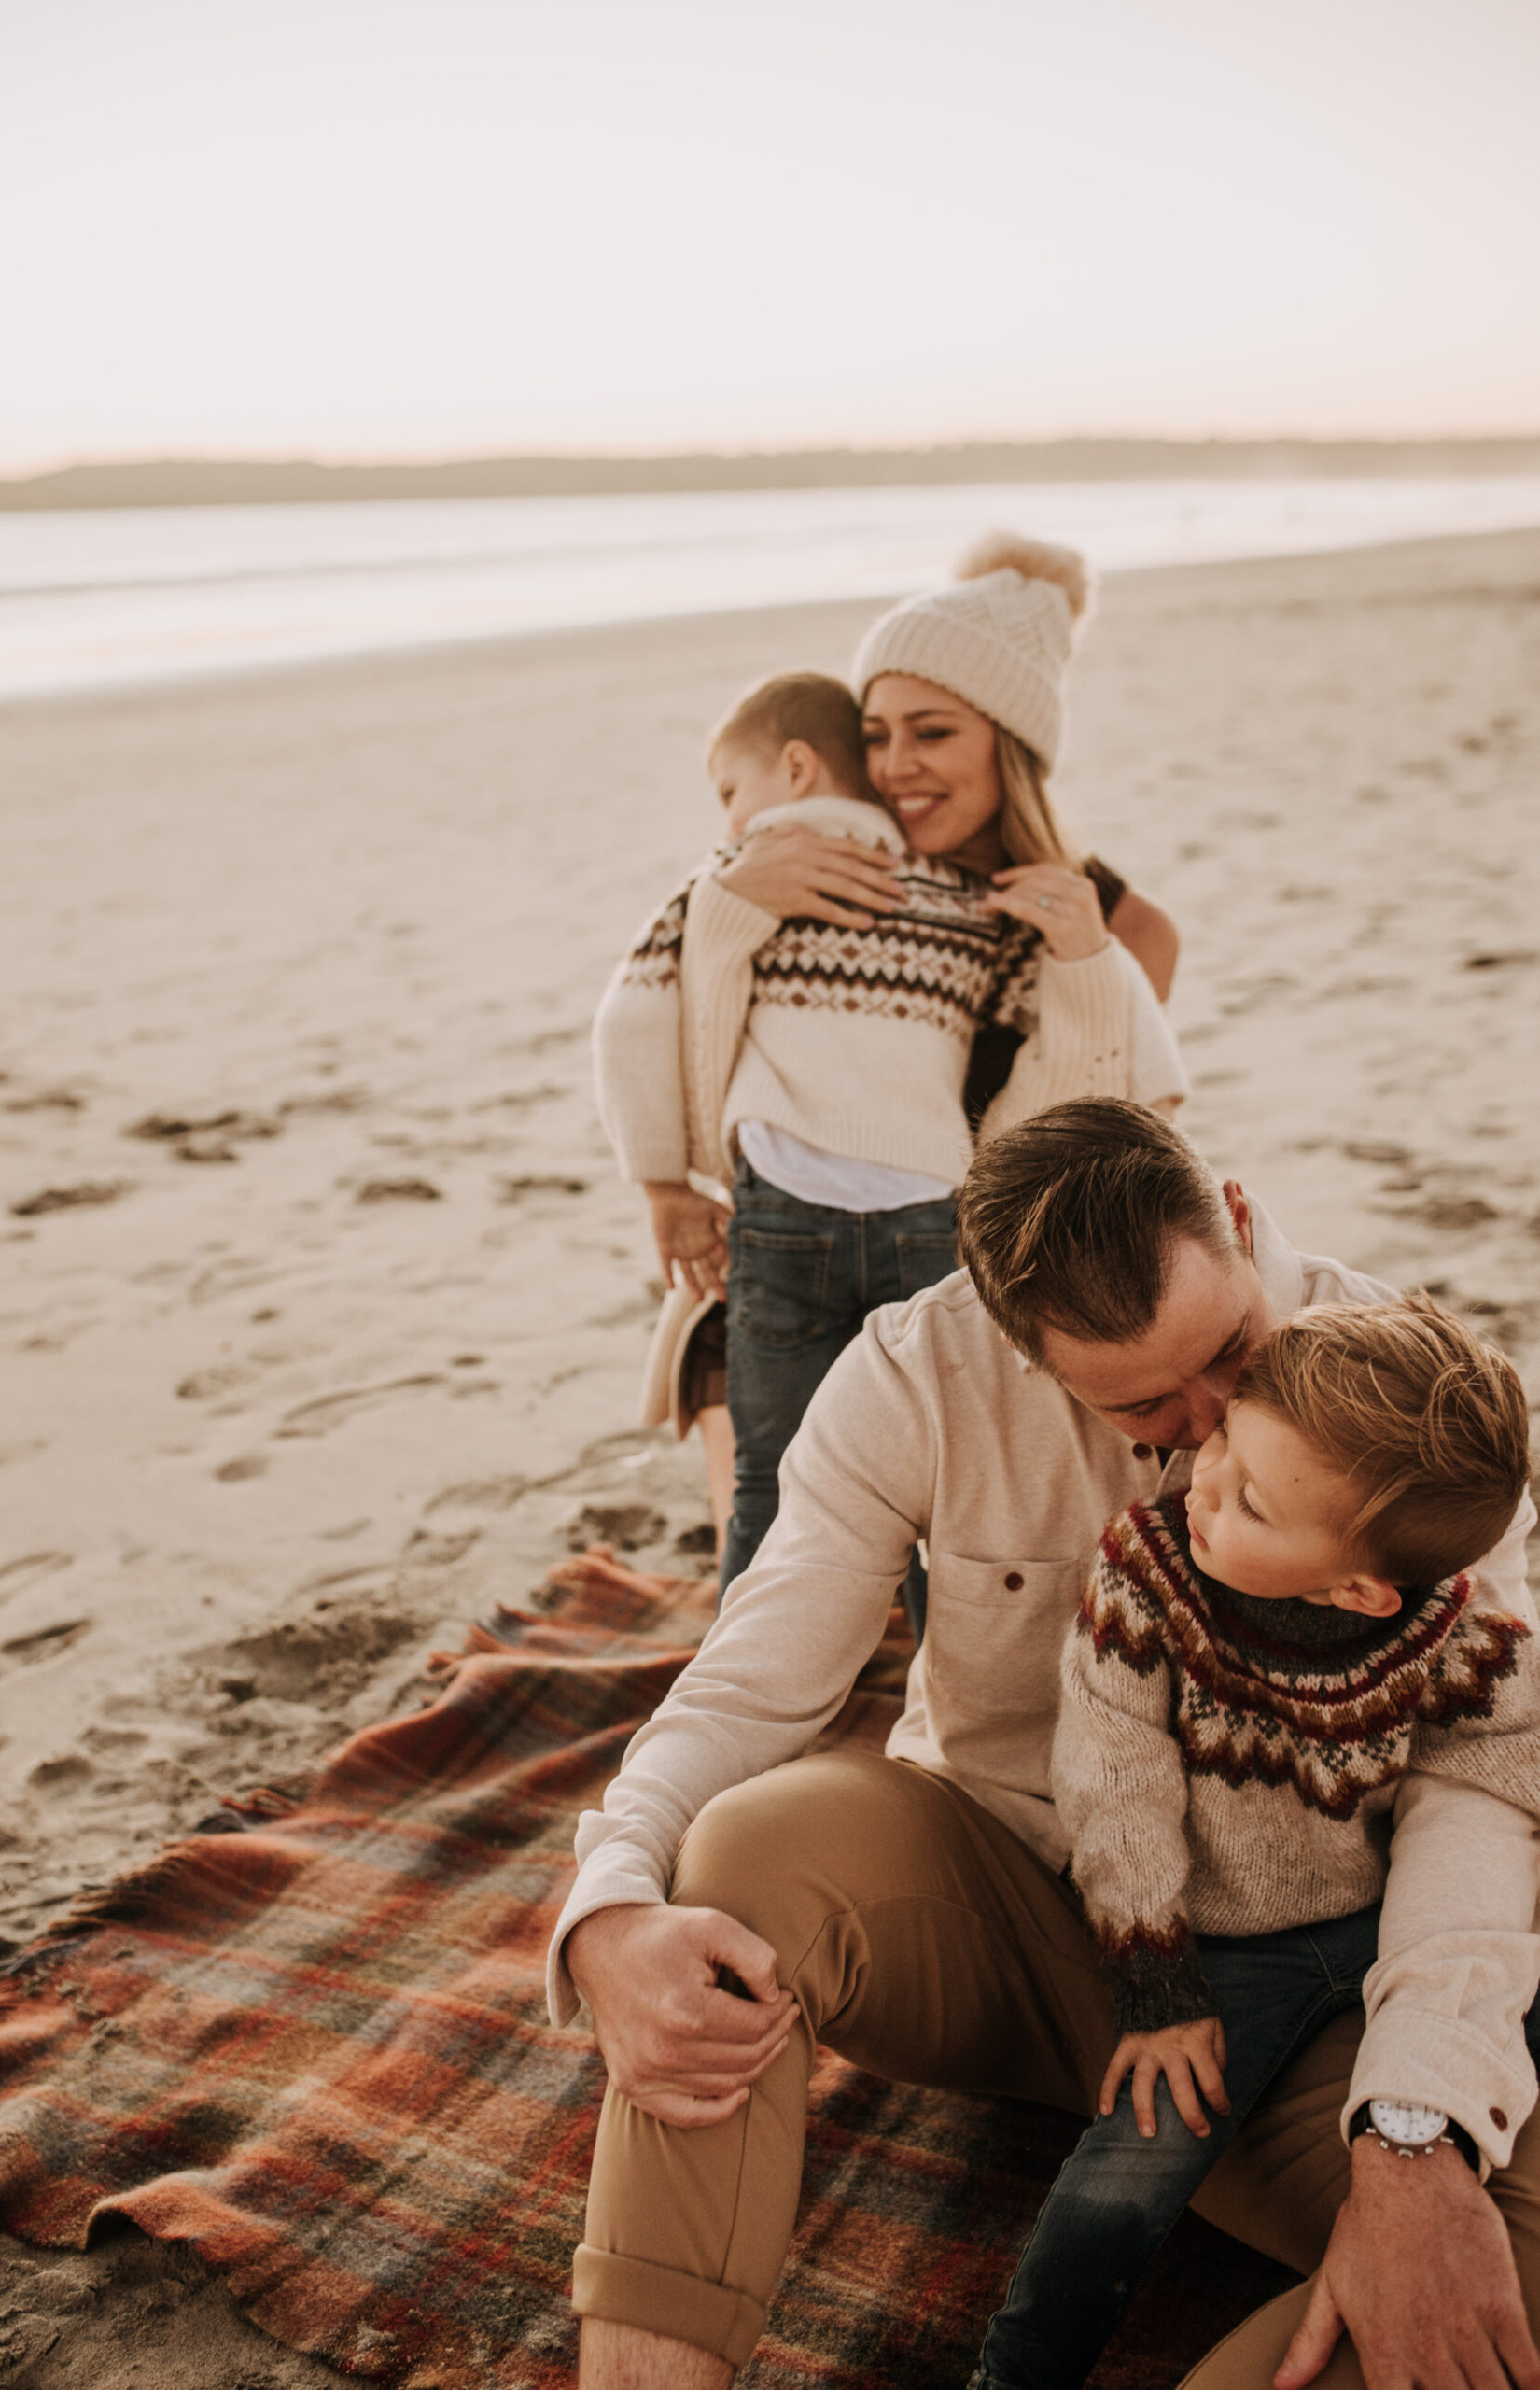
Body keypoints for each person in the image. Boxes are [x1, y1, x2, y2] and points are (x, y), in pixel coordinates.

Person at [551, 1103, 1540, 2390]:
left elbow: (1475, 1793)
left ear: (1235, 1222)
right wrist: (610, 1900)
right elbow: (752, 1688)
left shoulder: (1407, 1406)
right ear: (1023, 1350)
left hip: (1292, 1990)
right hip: (1001, 1905)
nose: (1201, 1427)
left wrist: (1413, 2135)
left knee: (1490, 2259)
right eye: (1139, 1402)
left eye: (1231, 1356)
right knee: (733, 1861)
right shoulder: (913, 1376)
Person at [593, 538, 1185, 1593]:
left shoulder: (1093, 916)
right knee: (764, 1465)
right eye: (876, 736)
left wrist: (1086, 962)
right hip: (779, 1225)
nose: (897, 765)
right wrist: (730, 914)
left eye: (934, 733)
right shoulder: (808, 858)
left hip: (987, 1236)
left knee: (941, 1480)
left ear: (1008, 744)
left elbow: (1082, 1140)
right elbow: (696, 1055)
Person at [974, 1295, 1540, 2390]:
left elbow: (1500, 1795)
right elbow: (1111, 1781)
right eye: (1227, 1437)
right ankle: (1019, 2371)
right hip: (1225, 1951)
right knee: (1125, 2174)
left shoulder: (1468, 1648)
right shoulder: (1148, 1575)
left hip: (1381, 1926)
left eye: (1250, 1503)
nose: (1201, 1486)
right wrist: (1158, 1983)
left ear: (1358, 1587)